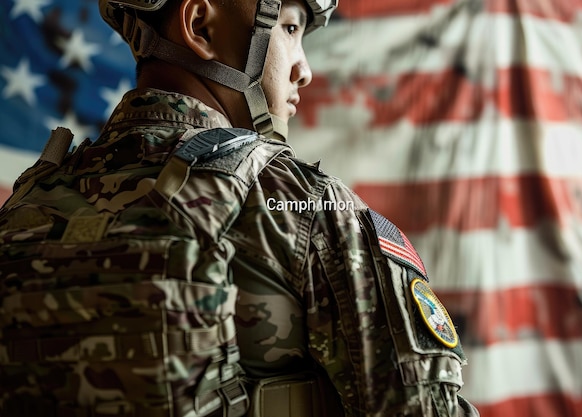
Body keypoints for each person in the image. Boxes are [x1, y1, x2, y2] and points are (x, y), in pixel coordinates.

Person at [0, 0, 479, 416]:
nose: (304, 69)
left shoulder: (27, 203)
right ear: (201, 27)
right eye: (290, 27)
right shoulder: (303, 205)